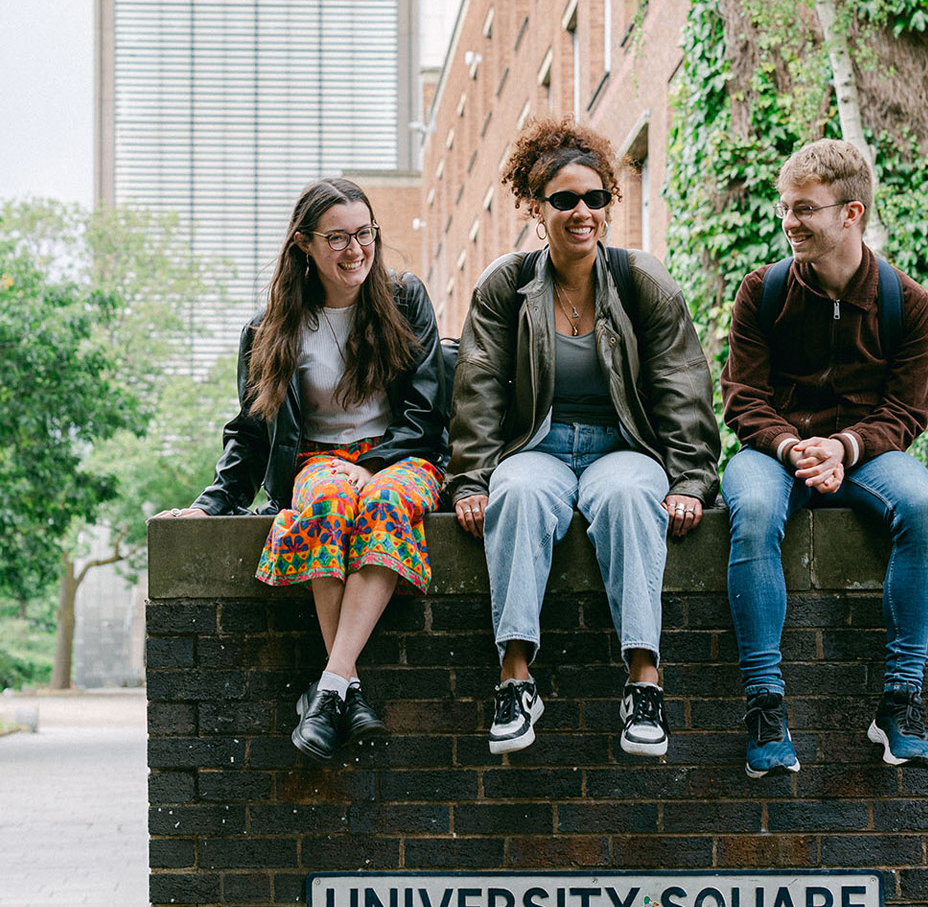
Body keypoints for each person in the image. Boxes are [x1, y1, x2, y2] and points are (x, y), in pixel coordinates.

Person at [447, 118, 719, 758]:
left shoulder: (640, 279)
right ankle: (516, 681)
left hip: (622, 446)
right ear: (535, 207)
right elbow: (478, 388)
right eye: (565, 199)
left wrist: (690, 480)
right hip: (536, 446)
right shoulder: (507, 285)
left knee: (630, 499)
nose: (582, 212)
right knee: (515, 497)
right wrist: (471, 480)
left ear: (608, 204)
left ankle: (644, 684)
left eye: (595, 198)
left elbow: (682, 381)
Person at [152, 178, 447, 763]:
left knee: (386, 502)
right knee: (326, 503)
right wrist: (212, 504)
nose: (355, 249)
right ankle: (348, 689)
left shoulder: (405, 298)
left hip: (402, 454)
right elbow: (252, 432)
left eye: (364, 233)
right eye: (337, 238)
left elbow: (427, 407)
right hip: (318, 460)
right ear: (304, 244)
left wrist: (376, 465)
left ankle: (330, 686)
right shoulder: (269, 330)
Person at [720, 139, 928, 776]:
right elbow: (741, 398)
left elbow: (906, 412)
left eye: (805, 209)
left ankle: (901, 703)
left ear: (851, 214)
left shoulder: (908, 303)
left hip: (866, 453)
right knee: (753, 510)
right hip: (774, 451)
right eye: (785, 208)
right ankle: (765, 706)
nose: (789, 221)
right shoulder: (761, 292)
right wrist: (793, 446)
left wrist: (846, 446)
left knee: (923, 507)